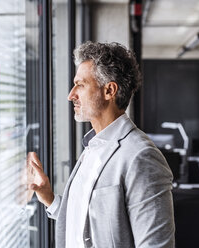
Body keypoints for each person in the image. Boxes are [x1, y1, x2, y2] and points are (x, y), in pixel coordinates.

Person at [28, 41, 175, 248]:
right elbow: (87, 225)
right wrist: (49, 198)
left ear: (109, 91)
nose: (71, 95)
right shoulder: (92, 148)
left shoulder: (141, 156)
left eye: (80, 85)